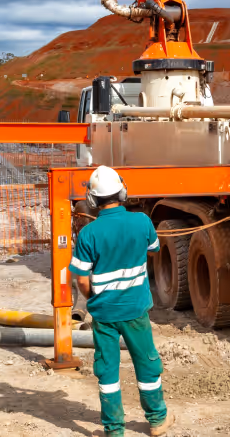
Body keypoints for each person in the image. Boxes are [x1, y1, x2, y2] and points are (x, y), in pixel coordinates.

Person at [70, 165, 174, 437]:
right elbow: (153, 251)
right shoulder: (141, 222)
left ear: (92, 200)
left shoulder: (88, 234)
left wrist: (97, 296)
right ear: (123, 191)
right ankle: (157, 420)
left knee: (107, 370)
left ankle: (114, 430)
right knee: (147, 363)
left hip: (103, 315)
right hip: (136, 311)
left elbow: (81, 280)